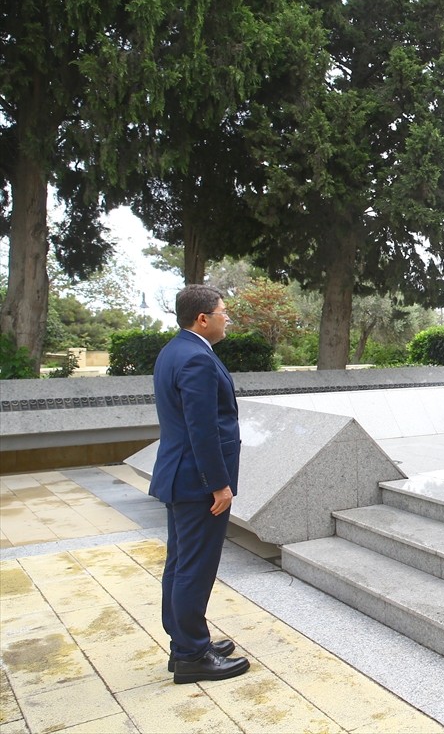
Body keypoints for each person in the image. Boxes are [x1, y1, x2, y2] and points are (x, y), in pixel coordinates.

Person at [149, 285, 250, 683]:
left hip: (182, 476)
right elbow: (202, 429)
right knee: (194, 567)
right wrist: (219, 485)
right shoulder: (196, 359)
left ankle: (186, 642)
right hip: (196, 482)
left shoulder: (175, 350)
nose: (228, 318)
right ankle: (191, 654)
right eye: (223, 312)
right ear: (203, 318)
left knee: (180, 563)